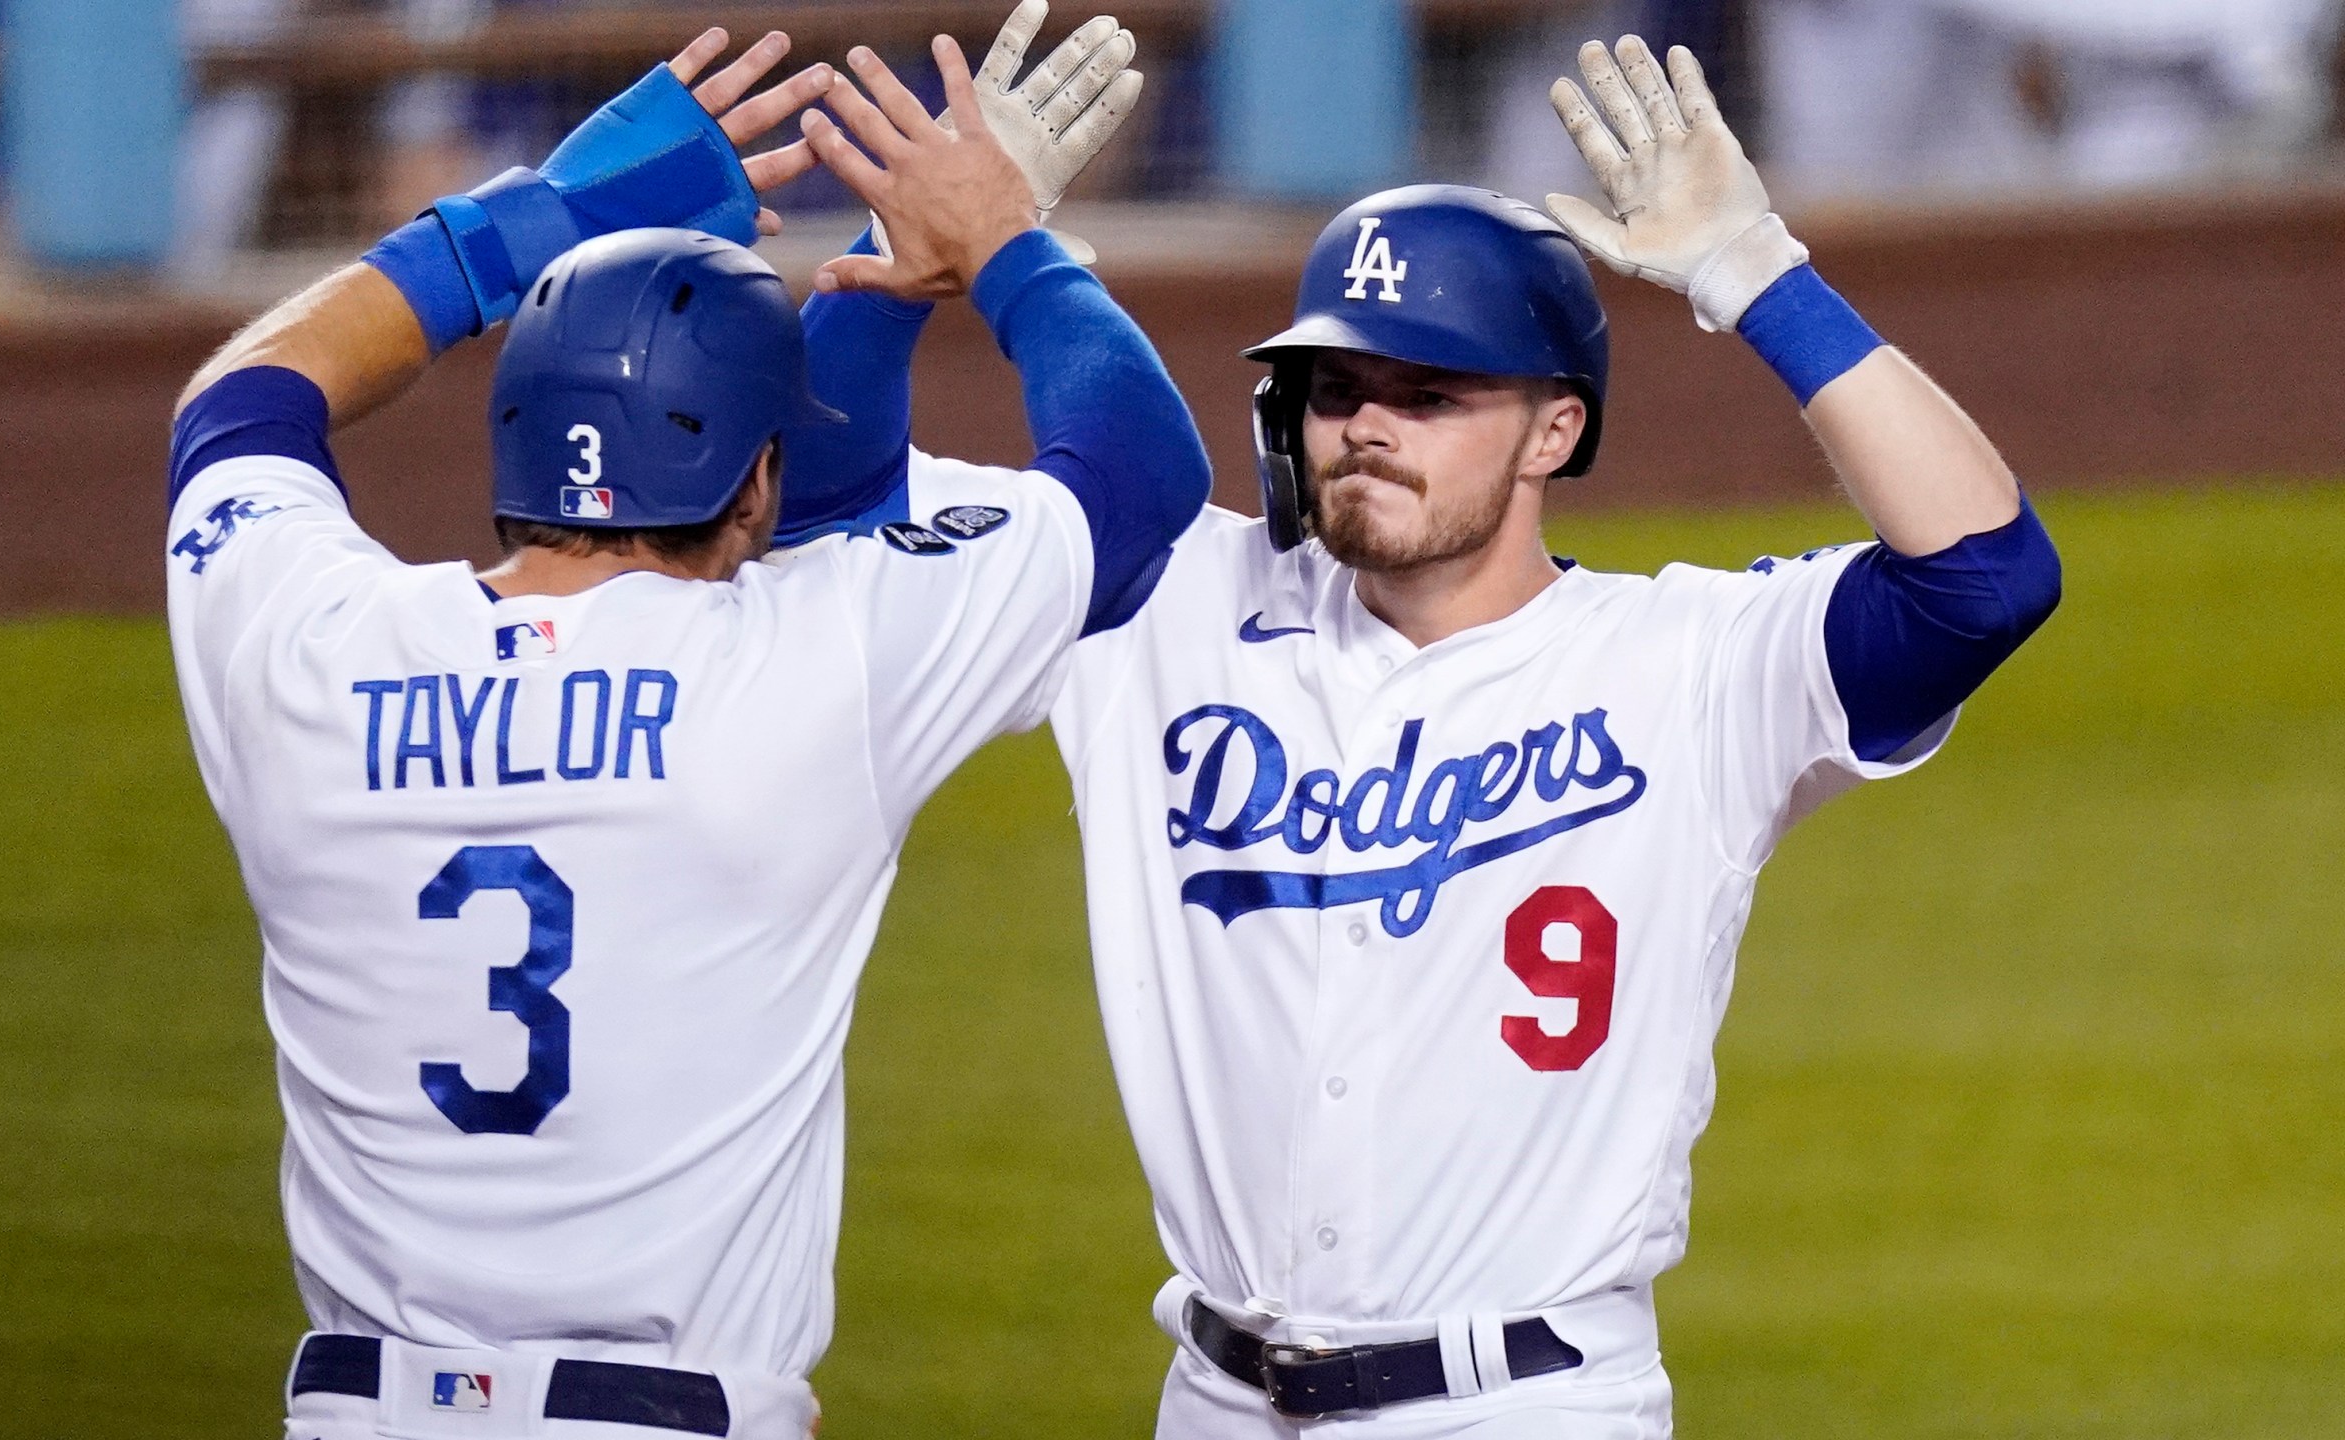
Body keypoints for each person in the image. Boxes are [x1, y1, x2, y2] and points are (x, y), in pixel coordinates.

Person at [781, 35, 2061, 1438]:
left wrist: (1759, 276)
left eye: (1432, 395)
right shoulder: (1154, 598)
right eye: (1337, 389)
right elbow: (821, 524)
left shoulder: (1692, 666)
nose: (1369, 428)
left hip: (1523, 1403)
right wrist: (899, 265)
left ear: (1551, 431)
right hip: (1211, 1398)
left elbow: (1985, 579)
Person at [162, 17, 1204, 1437]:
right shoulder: (806, 665)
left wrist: (528, 224)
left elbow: (244, 403)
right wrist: (992, 245)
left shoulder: (304, 653)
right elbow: (1136, 485)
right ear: (756, 484)